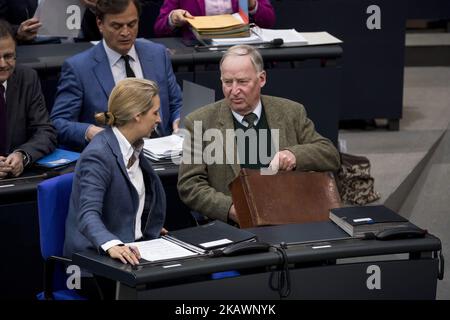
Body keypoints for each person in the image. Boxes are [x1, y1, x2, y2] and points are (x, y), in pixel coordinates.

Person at [177, 45, 340, 224]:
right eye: (227, 82)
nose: (234, 90)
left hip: (291, 217)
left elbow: (330, 155)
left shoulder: (291, 112)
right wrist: (231, 209)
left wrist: (293, 155)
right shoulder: (200, 121)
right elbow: (189, 185)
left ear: (261, 79)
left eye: (242, 82)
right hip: (233, 225)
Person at [64, 78, 166, 299]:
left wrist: (142, 223)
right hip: (91, 267)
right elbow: (87, 215)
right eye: (155, 113)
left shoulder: (135, 147)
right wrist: (112, 245)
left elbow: (128, 197)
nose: (159, 119)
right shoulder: (98, 154)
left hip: (131, 252)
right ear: (137, 115)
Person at [51, 0, 182, 151]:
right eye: (117, 26)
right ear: (100, 24)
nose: (126, 32)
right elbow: (59, 122)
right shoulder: (79, 68)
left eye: (132, 24)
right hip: (111, 158)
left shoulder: (158, 54)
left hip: (162, 152)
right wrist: (91, 131)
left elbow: (176, 103)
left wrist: (179, 120)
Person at [0, 19, 56, 179]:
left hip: (18, 179)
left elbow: (45, 131)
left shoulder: (27, 78)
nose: (3, 64)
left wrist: (22, 156)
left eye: (9, 56)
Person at [154, 0, 275, 38]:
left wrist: (253, 5)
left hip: (241, 48)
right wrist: (173, 18)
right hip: (200, 52)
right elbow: (159, 27)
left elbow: (269, 20)